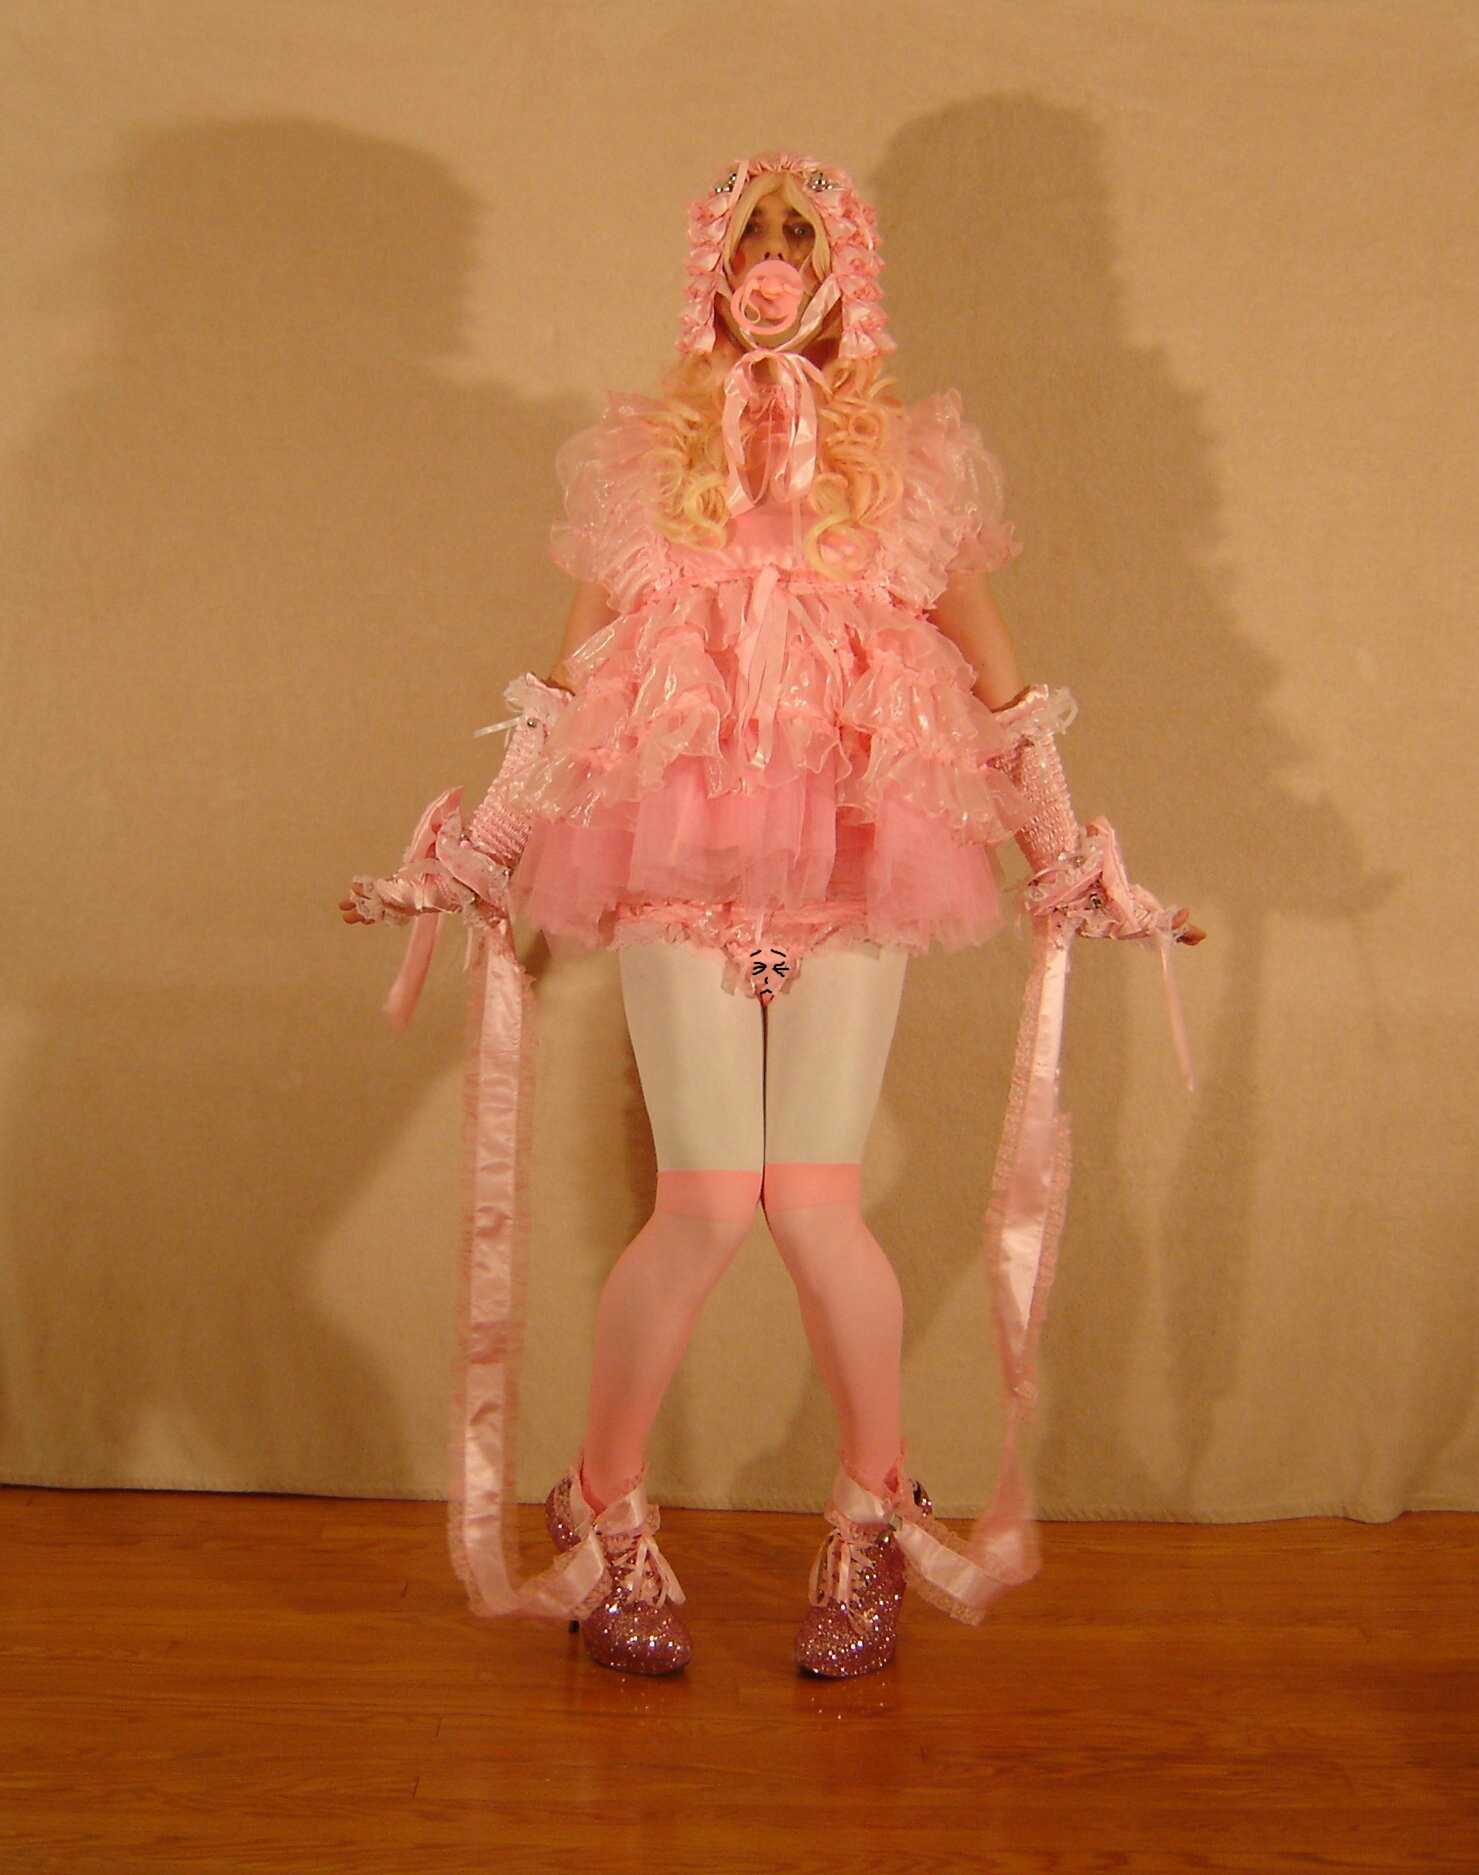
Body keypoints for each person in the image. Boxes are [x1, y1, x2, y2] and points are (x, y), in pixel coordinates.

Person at [341, 150, 1203, 1682]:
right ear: (715, 266)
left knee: (813, 1203)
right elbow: (570, 692)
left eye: (802, 235)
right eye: (755, 234)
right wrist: (480, 855)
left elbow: (997, 686)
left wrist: (1068, 860)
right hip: (676, 860)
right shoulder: (646, 467)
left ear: (844, 270)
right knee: (705, 1205)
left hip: (857, 862)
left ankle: (872, 1507)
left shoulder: (910, 470)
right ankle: (603, 1502)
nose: (776, 258)